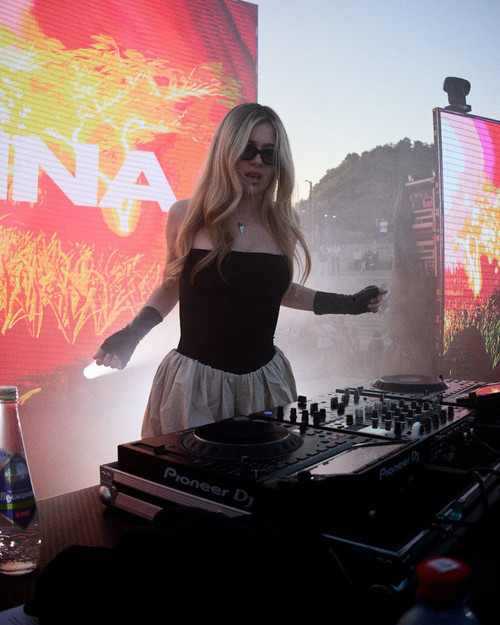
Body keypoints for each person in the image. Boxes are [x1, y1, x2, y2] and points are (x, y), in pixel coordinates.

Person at [93, 103, 386, 437]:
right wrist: (132, 334)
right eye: (248, 149)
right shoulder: (185, 215)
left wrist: (348, 304)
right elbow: (172, 284)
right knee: (191, 470)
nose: (257, 161)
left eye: (269, 153)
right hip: (194, 387)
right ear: (225, 150)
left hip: (264, 385)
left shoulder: (284, 222)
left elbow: (278, 291)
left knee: (268, 469)